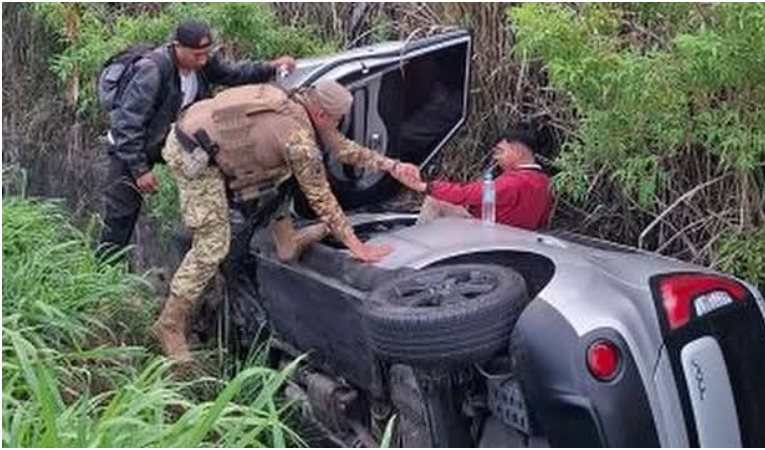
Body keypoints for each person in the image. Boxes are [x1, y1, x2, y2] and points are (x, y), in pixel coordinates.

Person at [152, 80, 420, 361]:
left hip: (218, 140)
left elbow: (341, 147)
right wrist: (356, 245)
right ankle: (170, 324)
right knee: (213, 245)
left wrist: (392, 166)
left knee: (280, 175)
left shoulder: (298, 104)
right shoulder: (297, 138)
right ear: (322, 115)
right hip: (193, 151)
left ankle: (288, 243)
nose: (338, 125)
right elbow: (320, 196)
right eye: (337, 120)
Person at [98, 20, 297, 258]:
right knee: (121, 215)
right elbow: (127, 125)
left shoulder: (202, 64)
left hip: (176, 140)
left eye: (206, 54)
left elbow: (233, 74)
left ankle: (231, 242)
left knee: (227, 173)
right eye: (196, 55)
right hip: (132, 146)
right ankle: (105, 273)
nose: (202, 60)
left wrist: (270, 67)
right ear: (178, 46)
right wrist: (140, 170)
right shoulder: (152, 70)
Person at [409, 131, 553, 230]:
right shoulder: (545, 181)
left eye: (500, 151)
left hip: (493, 235)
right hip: (517, 236)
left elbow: (467, 194)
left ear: (518, 152)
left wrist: (425, 186)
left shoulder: (514, 182)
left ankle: (416, 245)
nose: (496, 158)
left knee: (434, 200)